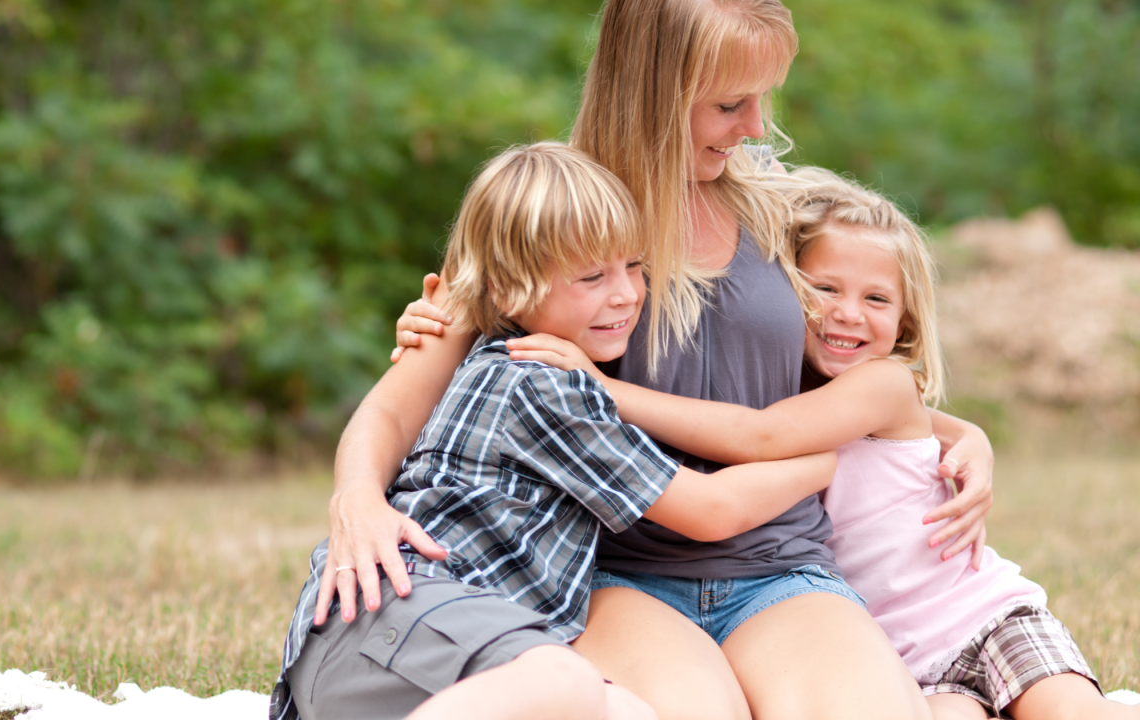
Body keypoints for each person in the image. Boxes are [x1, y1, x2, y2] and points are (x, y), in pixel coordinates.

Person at [332, 1, 995, 719]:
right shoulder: (554, 216)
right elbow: (400, 402)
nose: (755, 127)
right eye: (729, 104)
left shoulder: (782, 208)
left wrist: (960, 435)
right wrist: (357, 496)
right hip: (616, 575)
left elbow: (837, 376)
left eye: (763, 99)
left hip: (781, 565)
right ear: (652, 90)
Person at [510, 167, 1134, 720]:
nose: (847, 313)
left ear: (905, 320)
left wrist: (601, 388)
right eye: (825, 290)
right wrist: (968, 431)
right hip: (910, 651)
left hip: (981, 619)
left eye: (876, 299)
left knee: (1072, 713)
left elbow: (762, 435)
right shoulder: (806, 392)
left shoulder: (878, 385)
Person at [270, 142, 836, 720]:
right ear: (507, 289)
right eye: (592, 276)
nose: (626, 293)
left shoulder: (501, 356)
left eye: (635, 265)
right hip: (396, 613)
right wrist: (825, 459)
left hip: (408, 644)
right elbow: (711, 510)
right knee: (564, 680)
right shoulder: (543, 387)